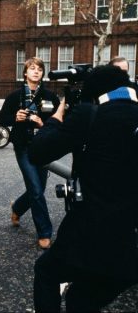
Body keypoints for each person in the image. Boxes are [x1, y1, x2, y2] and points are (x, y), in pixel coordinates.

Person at [28, 65, 138, 312]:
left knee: (46, 273)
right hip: (127, 246)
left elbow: (38, 152)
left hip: (87, 233)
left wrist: (57, 116)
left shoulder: (90, 114)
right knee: (81, 299)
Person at [0, 57, 59, 249]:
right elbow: (2, 118)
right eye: (32, 69)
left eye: (39, 69)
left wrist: (43, 123)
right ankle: (44, 232)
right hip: (23, 147)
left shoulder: (50, 96)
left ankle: (17, 208)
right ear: (25, 73)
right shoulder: (15, 96)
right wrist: (16, 117)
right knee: (36, 188)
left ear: (42, 74)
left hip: (43, 147)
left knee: (37, 188)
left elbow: (59, 122)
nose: (36, 72)